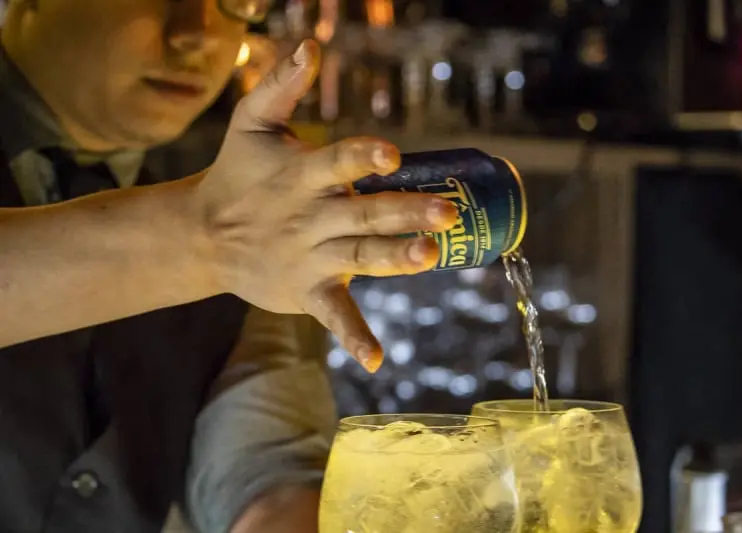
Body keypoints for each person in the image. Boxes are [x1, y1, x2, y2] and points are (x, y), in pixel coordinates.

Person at [0, 1, 455, 533]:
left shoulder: (242, 213)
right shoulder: (229, 224)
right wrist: (208, 238)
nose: (200, 33)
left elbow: (260, 457)